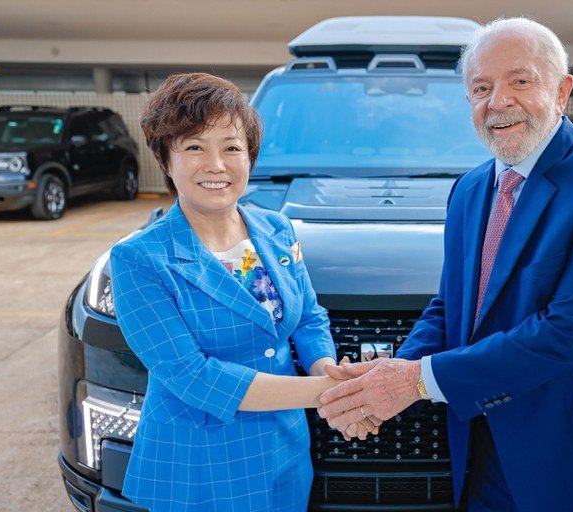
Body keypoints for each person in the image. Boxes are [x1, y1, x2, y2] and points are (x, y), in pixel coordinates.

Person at [317, 18, 573, 511]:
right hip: (489, 452)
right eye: (481, 88)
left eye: (520, 82)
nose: (498, 102)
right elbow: (452, 306)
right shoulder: (468, 190)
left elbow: (569, 330)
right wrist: (390, 373)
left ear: (562, 91)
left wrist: (412, 381)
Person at [110, 72, 377, 512]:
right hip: (200, 468)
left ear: (250, 156)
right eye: (195, 146)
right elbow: (193, 376)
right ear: (165, 159)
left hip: (284, 455)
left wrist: (325, 367)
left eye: (231, 147)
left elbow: (309, 318)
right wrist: (332, 394)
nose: (217, 164)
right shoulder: (139, 259)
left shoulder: (275, 228)